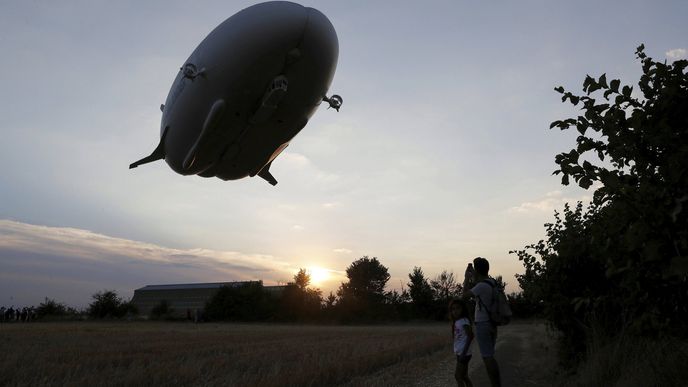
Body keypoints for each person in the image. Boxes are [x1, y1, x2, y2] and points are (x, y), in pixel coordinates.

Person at [462, 257, 502, 387]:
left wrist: (467, 278)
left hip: (483, 324)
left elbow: (464, 296)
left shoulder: (481, 286)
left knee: (487, 357)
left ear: (477, 271)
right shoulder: (492, 282)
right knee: (490, 354)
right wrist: (474, 273)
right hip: (492, 323)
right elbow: (480, 280)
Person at [449, 298, 474, 387]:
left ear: (463, 309)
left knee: (458, 376)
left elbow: (471, 336)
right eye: (453, 309)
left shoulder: (464, 321)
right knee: (464, 376)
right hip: (460, 352)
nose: (455, 311)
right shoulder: (457, 322)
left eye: (458, 308)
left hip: (464, 353)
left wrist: (464, 353)